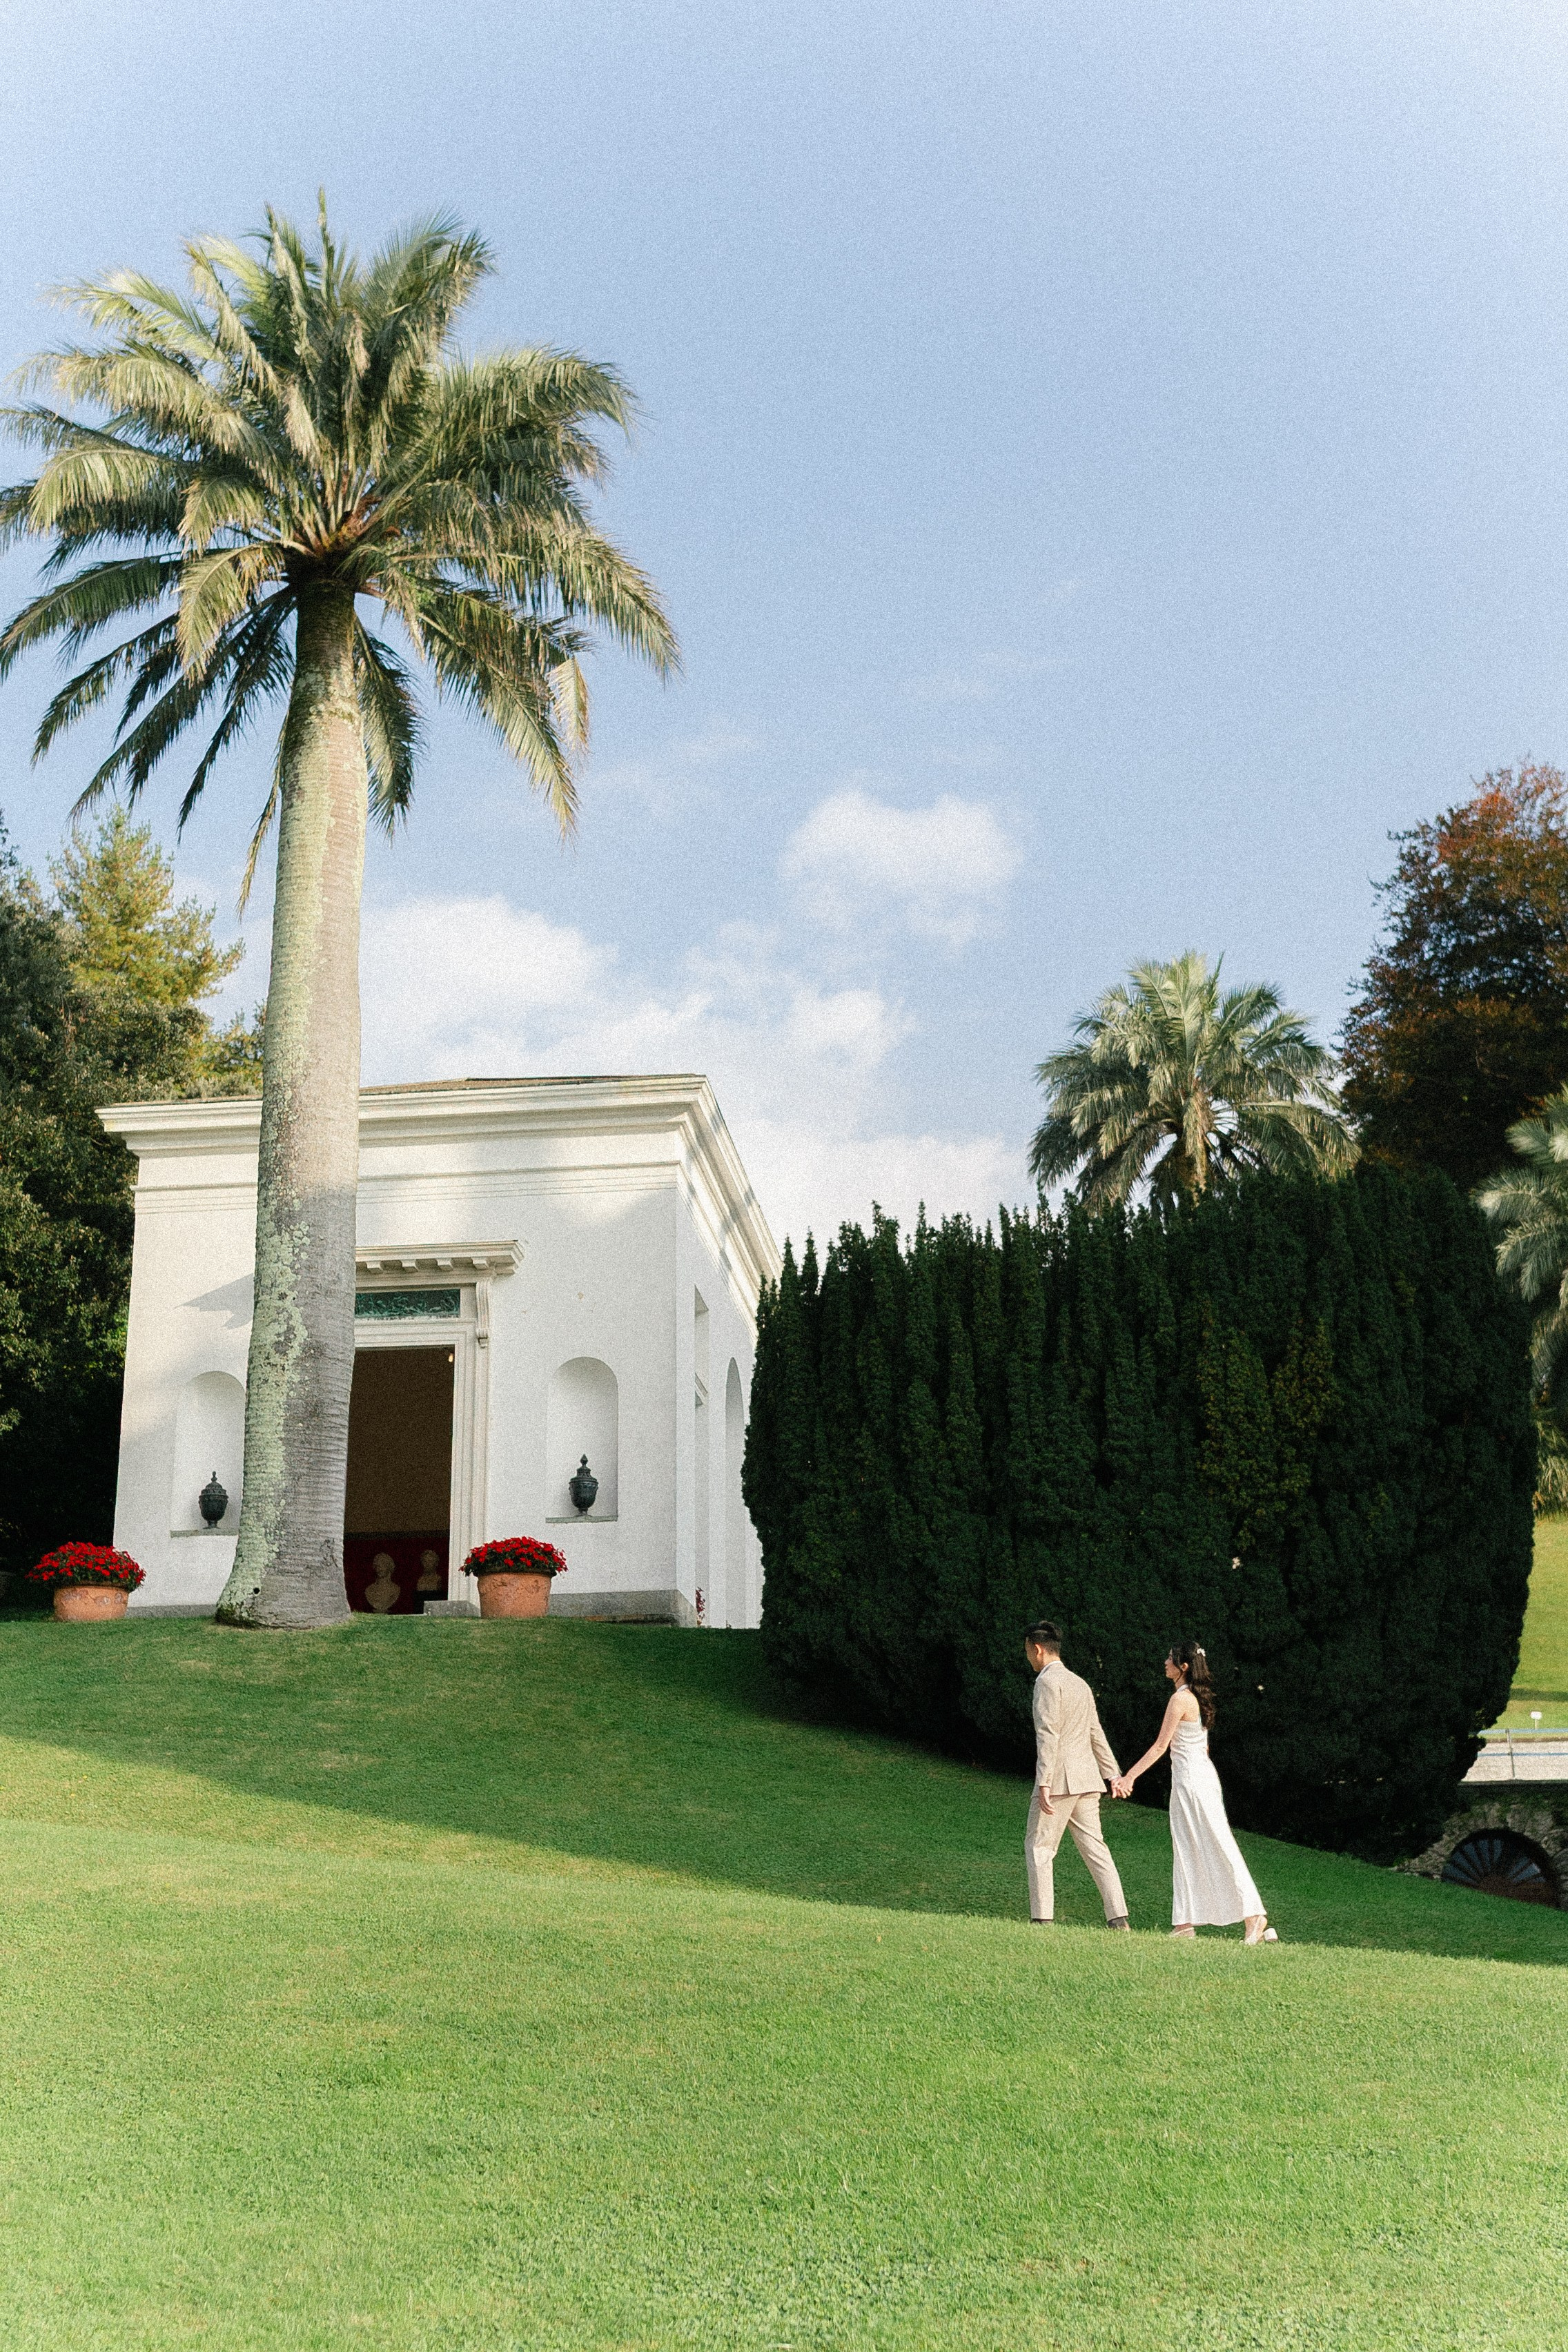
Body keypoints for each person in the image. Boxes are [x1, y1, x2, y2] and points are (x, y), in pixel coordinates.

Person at [1113, 1640, 1277, 1943]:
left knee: (1216, 1843)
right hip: (1196, 1778)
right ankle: (1184, 1923)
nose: (1165, 1662)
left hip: (1192, 1781)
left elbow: (1161, 1746)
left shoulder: (1181, 1700)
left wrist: (1129, 1777)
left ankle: (1254, 1916)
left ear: (1183, 1667)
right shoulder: (1197, 1698)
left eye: (1170, 1659)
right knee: (1186, 1845)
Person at [1023, 1620, 1130, 1930]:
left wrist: (1043, 1781)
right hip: (1088, 1780)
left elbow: (1048, 1734)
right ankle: (1118, 1918)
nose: (1028, 1657)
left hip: (1059, 1780)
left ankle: (1042, 1919)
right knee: (1096, 1849)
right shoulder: (1080, 1683)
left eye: (1028, 1651)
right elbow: (1096, 1732)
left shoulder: (1046, 1683)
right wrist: (1113, 1774)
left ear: (1038, 1649)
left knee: (1039, 1847)